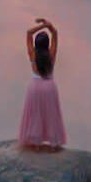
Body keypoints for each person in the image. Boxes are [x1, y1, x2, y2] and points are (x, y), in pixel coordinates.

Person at [18, 15, 67, 150]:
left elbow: (28, 33)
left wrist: (41, 25)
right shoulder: (51, 55)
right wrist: (47, 25)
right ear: (47, 44)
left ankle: (36, 144)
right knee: (51, 114)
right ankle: (52, 144)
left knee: (35, 115)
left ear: (36, 44)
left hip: (35, 86)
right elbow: (55, 33)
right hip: (49, 86)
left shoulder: (32, 54)